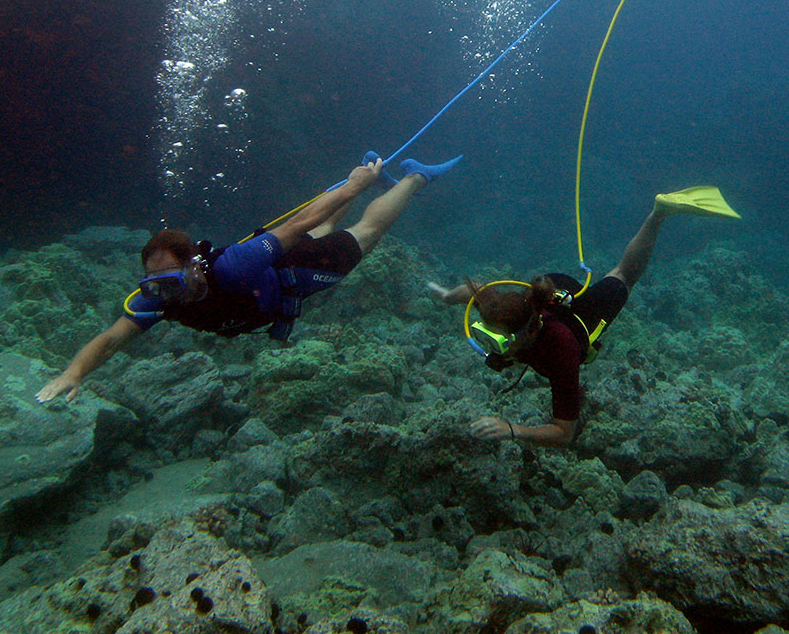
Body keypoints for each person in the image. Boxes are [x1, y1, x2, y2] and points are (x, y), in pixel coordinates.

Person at [36, 152, 461, 403]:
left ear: (195, 268)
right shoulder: (161, 299)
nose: (168, 294)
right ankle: (373, 166)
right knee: (321, 231)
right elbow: (110, 340)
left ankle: (414, 175)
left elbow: (298, 223)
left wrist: (354, 187)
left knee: (364, 234)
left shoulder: (232, 266)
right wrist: (75, 373)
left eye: (173, 282)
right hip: (272, 270)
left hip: (295, 273)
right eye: (156, 285)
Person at [429, 186, 740, 448]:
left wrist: (513, 430)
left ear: (527, 333)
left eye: (496, 340)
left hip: (580, 313)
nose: (490, 345)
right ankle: (656, 215)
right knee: (611, 277)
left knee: (623, 275)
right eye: (485, 333)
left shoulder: (560, 349)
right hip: (548, 289)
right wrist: (446, 297)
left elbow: (564, 433)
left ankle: (658, 213)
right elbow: (476, 291)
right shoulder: (508, 308)